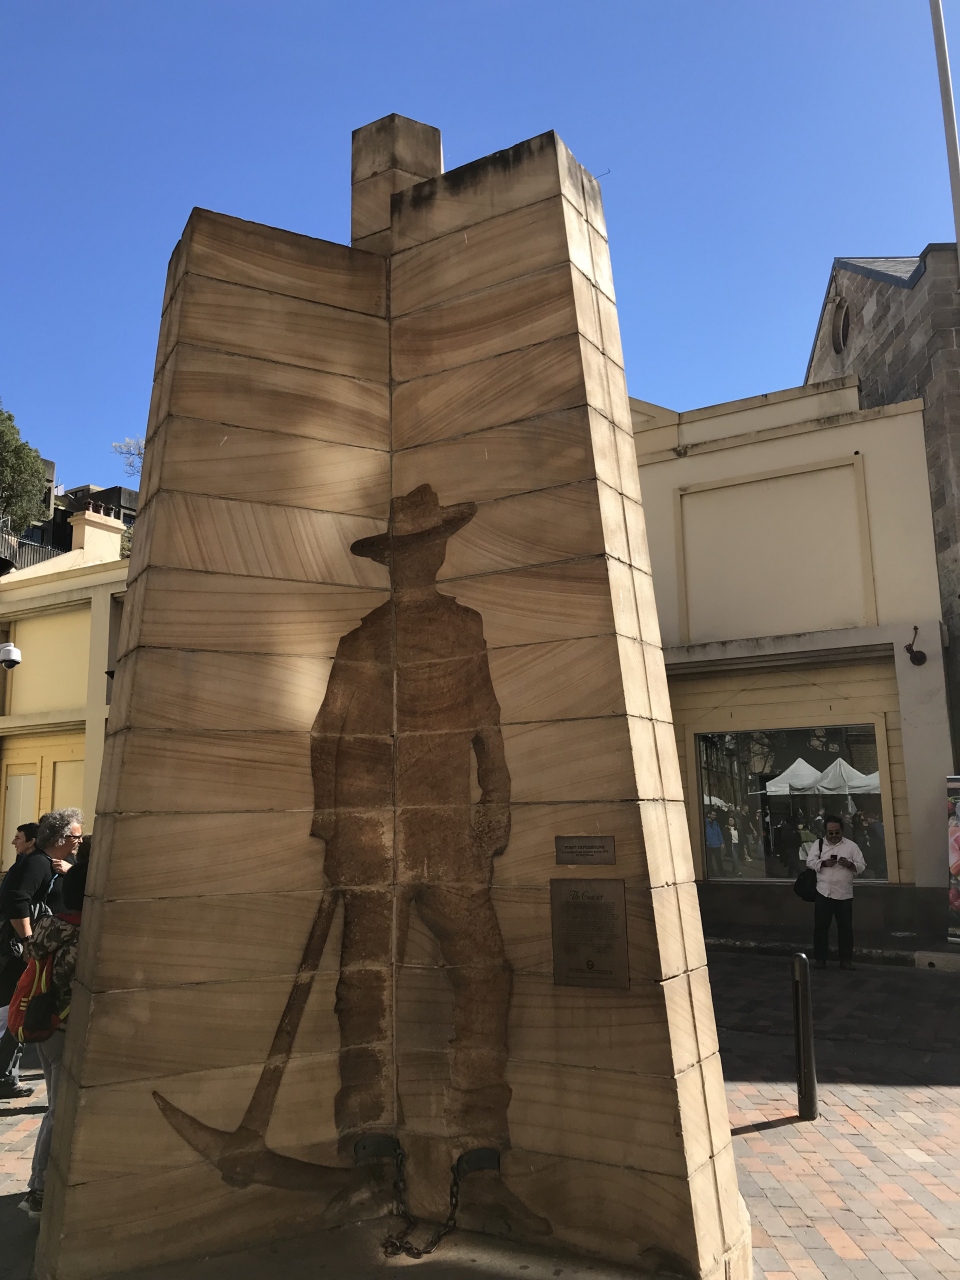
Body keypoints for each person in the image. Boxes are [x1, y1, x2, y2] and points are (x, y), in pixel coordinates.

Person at [18, 860, 86, 1218]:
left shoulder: (49, 924)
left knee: (54, 1109)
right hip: (62, 1027)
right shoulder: (81, 936)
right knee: (58, 1113)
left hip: (42, 1026)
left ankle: (39, 1186)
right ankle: (39, 1191)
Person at [0, 809, 82, 1099]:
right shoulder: (37, 863)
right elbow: (16, 901)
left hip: (46, 948)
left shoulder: (66, 863)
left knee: (29, 1008)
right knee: (22, 1008)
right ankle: (4, 1074)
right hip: (33, 950)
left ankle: (6, 1073)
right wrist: (27, 942)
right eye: (75, 836)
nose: (79, 841)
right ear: (60, 837)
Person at [806, 814, 865, 969]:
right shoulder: (818, 844)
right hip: (823, 892)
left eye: (836, 832)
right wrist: (823, 863)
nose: (833, 836)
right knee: (821, 928)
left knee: (845, 929)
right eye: (830, 833)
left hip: (844, 894)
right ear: (825, 832)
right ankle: (820, 959)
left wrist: (850, 865)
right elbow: (809, 862)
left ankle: (846, 960)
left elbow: (862, 865)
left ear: (842, 831)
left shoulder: (851, 846)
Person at [704, 809, 725, 877]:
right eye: (713, 815)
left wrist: (721, 842)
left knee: (719, 860)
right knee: (709, 861)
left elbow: (719, 833)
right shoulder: (705, 824)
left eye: (715, 815)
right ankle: (711, 873)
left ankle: (722, 873)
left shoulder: (716, 824)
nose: (714, 816)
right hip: (709, 845)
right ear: (709, 815)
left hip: (716, 844)